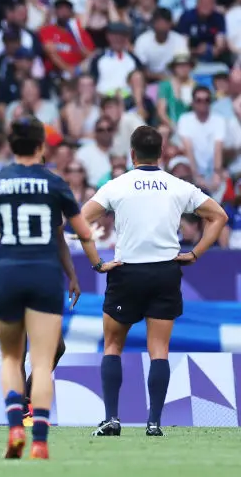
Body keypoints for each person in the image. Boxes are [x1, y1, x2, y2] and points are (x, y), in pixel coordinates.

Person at [80, 125, 228, 438]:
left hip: (126, 271)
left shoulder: (116, 185)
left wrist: (96, 261)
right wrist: (196, 253)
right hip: (165, 271)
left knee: (112, 345)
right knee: (158, 348)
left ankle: (112, 420)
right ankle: (154, 422)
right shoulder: (177, 185)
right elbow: (219, 217)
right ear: (160, 153)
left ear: (132, 153)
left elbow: (81, 221)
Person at [0, 117, 99, 460]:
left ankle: (16, 425)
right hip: (44, 274)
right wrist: (78, 271)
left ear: (12, 147)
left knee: (12, 358)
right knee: (43, 361)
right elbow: (81, 233)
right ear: (42, 145)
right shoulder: (56, 185)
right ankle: (39, 440)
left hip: (9, 273)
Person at [0, 223, 78, 427]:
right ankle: (22, 411)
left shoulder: (50, 195)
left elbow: (59, 237)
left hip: (43, 280)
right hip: (10, 278)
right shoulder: (1, 193)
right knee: (18, 351)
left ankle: (27, 395)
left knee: (57, 347)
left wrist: (72, 275)